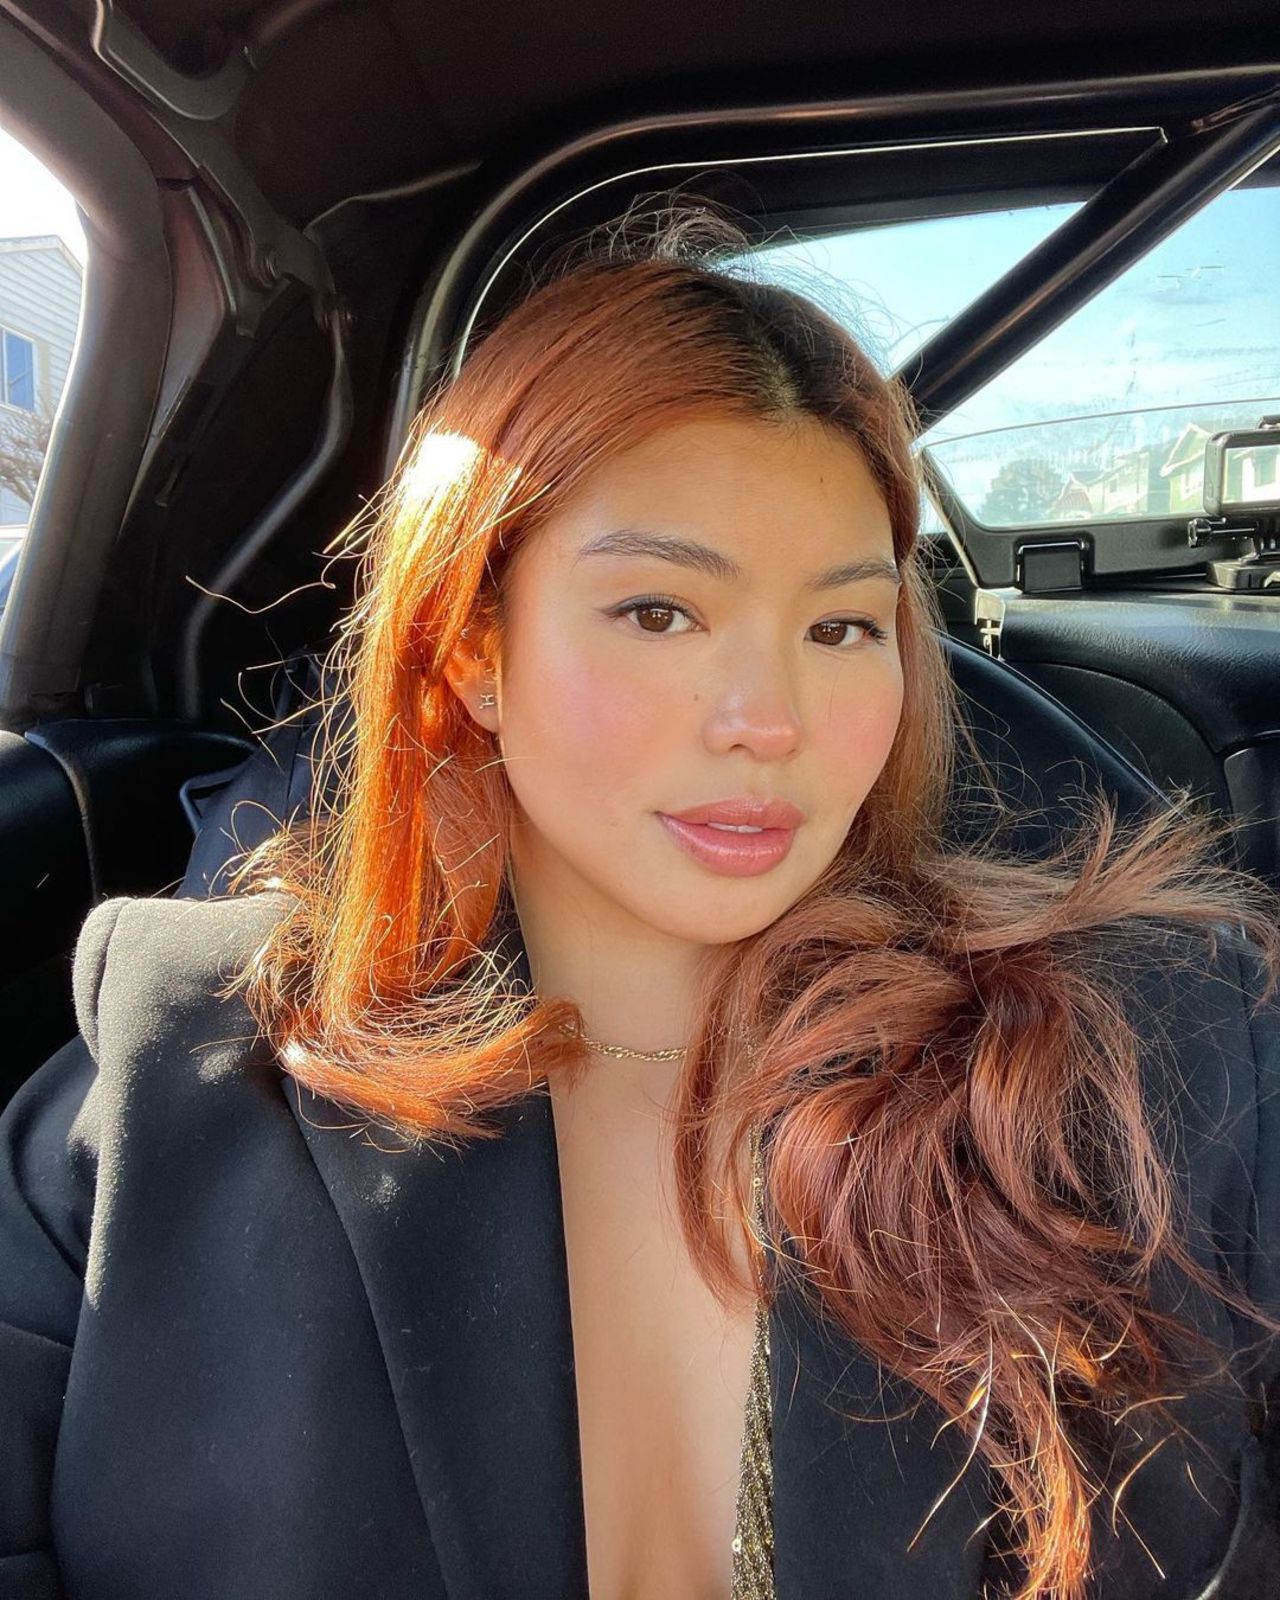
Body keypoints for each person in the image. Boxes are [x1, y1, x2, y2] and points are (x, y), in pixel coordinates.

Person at [2, 203, 1279, 1600]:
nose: (769, 719)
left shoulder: (1152, 1053)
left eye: (842, 627)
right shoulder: (167, 1086)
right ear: (473, 649)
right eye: (659, 612)